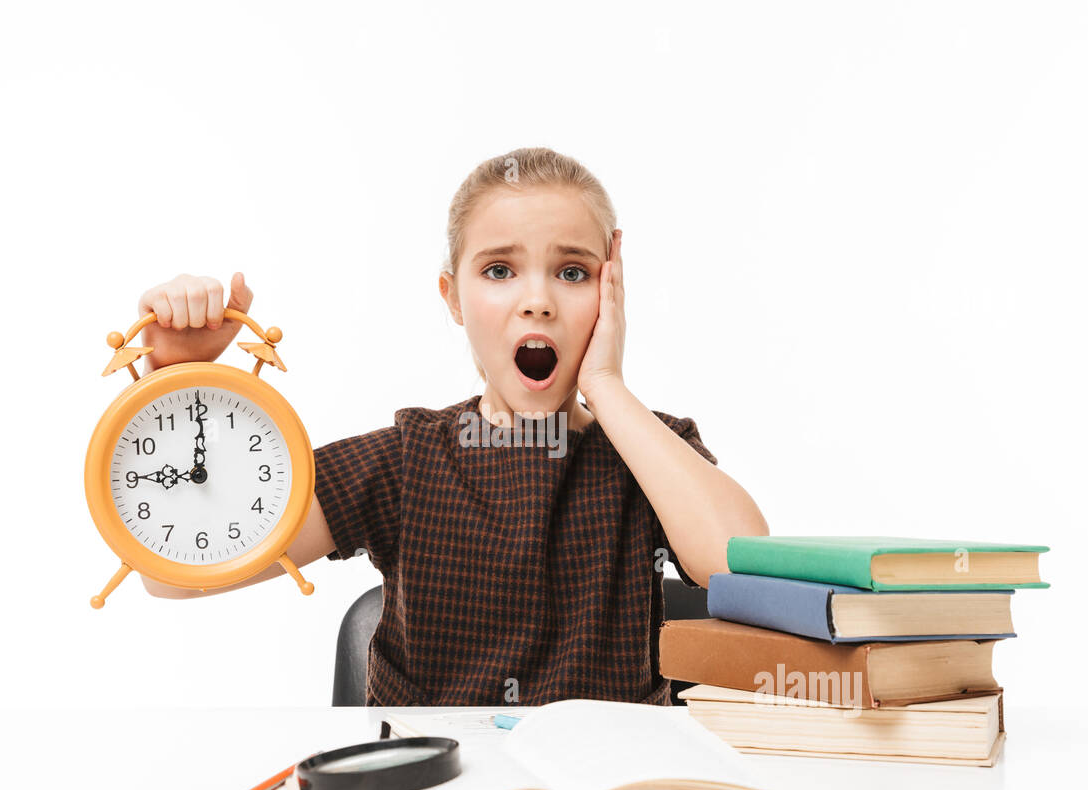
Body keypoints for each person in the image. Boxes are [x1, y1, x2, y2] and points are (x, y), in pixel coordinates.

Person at [137, 146, 768, 706]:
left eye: (573, 273)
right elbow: (168, 576)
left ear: (612, 294)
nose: (539, 300)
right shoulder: (409, 460)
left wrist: (606, 387)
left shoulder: (652, 450)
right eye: (499, 271)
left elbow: (743, 572)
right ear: (453, 299)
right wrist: (176, 382)